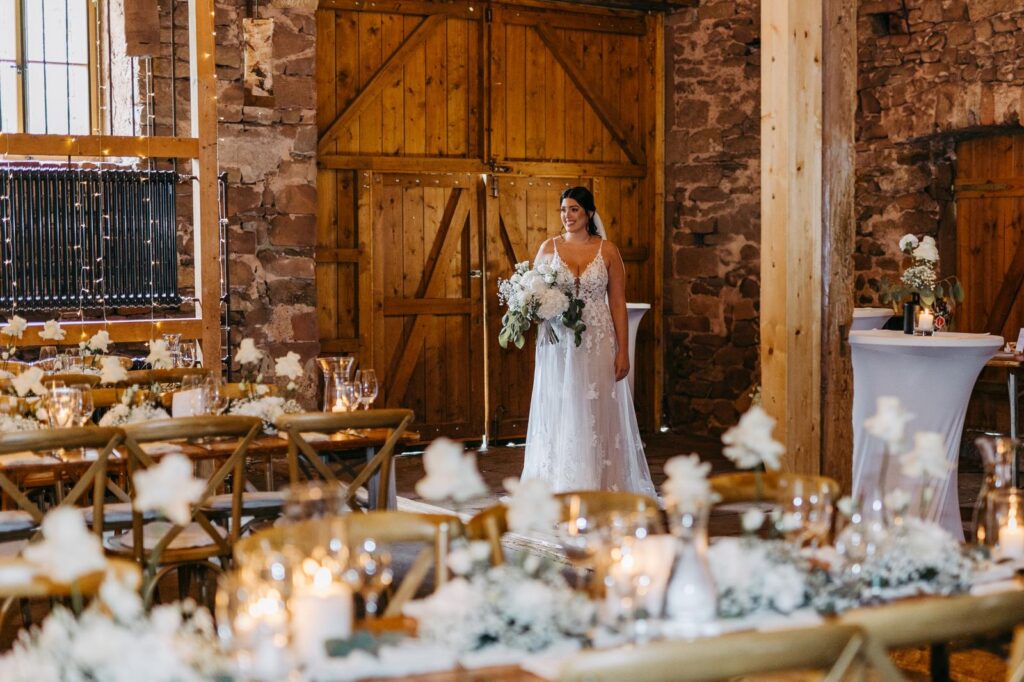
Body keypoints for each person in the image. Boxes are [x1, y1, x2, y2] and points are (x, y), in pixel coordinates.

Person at [520, 186, 656, 496]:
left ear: (589, 213)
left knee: (594, 408)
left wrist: (623, 351)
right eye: (563, 210)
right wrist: (536, 310)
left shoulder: (608, 251)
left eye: (574, 210)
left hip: (597, 339)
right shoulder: (549, 248)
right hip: (559, 343)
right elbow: (533, 294)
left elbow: (618, 303)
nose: (567, 216)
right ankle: (559, 486)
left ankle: (600, 484)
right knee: (561, 406)